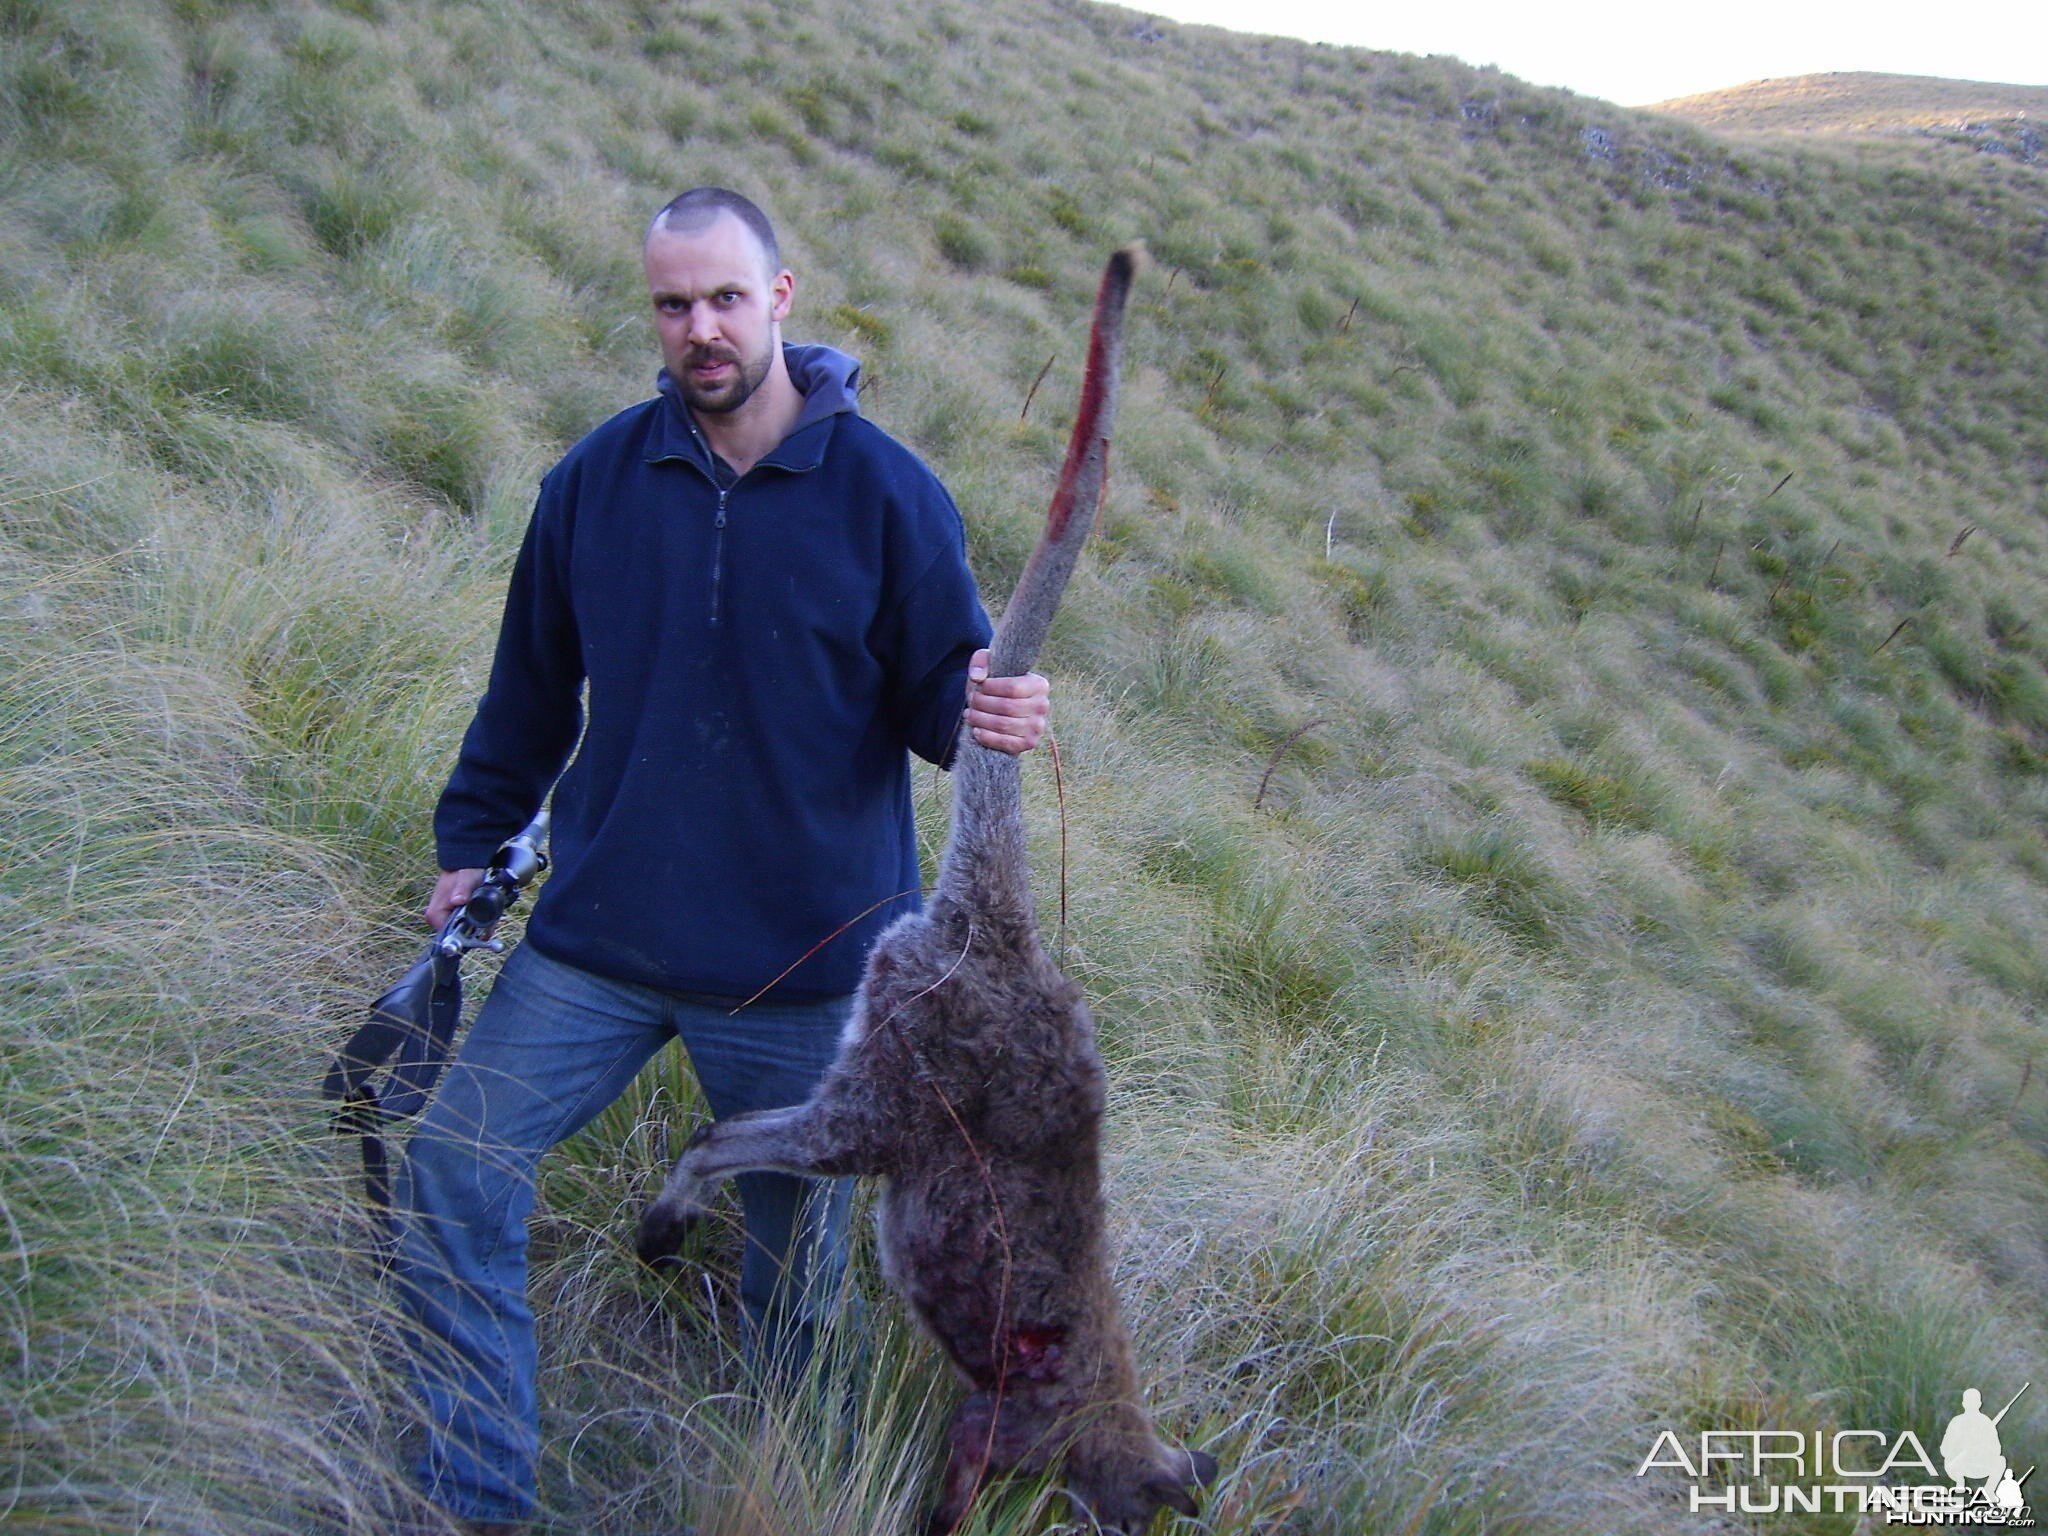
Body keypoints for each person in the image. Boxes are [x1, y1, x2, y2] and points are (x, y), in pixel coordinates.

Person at [392, 186, 1050, 1536]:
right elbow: (530, 694)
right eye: (674, 303)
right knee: (453, 1169)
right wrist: (470, 844)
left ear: (784, 297)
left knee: (794, 1296)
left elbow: (944, 701)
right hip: (599, 945)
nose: (701, 328)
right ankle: (477, 1502)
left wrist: (992, 706)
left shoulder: (887, 496)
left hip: (810, 971)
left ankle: (782, 1506)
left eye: (726, 298)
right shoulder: (595, 482)